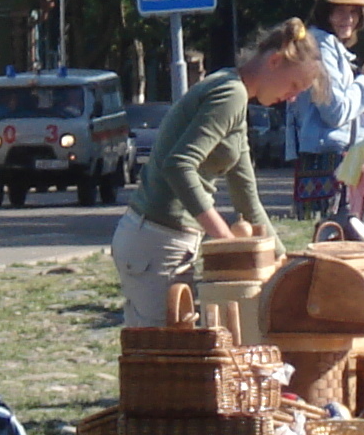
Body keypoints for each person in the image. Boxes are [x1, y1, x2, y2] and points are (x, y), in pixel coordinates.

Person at [111, 20, 325, 326]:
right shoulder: (230, 93)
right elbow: (179, 164)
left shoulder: (236, 96)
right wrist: (226, 240)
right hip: (156, 242)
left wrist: (283, 261)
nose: (291, 98)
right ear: (275, 61)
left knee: (173, 358)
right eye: (293, 86)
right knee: (161, 358)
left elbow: (247, 200)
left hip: (166, 242)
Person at [289, 0, 364, 223]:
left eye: (353, 11)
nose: (348, 18)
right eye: (339, 10)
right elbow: (335, 111)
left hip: (330, 160)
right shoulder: (320, 47)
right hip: (329, 163)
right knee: (337, 241)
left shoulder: (329, 46)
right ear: (324, 12)